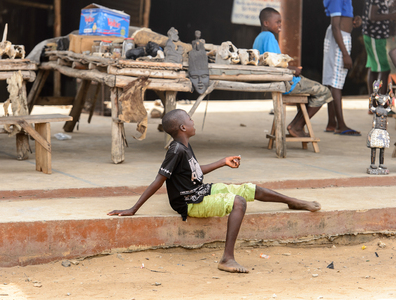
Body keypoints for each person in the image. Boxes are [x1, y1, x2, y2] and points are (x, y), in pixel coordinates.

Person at [108, 109, 321, 274]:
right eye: (190, 119)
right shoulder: (175, 150)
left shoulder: (185, 145)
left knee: (249, 188)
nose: (193, 122)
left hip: (199, 190)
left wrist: (222, 162)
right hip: (189, 202)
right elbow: (158, 180)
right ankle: (227, 258)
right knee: (238, 202)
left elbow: (194, 172)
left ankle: (292, 202)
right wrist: (133, 208)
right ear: (183, 127)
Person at [253, 7, 333, 138]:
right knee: (324, 92)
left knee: (311, 95)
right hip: (285, 82)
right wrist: (293, 69)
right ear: (266, 23)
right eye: (277, 22)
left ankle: (295, 125)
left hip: (275, 81)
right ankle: (296, 126)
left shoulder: (259, 38)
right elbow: (275, 64)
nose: (280, 25)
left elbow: (271, 62)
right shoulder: (269, 37)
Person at [323, 0, 362, 136]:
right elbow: (335, 26)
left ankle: (331, 123)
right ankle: (341, 125)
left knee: (332, 81)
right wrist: (345, 54)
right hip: (339, 38)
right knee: (336, 83)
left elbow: (340, 21)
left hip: (339, 36)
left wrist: (353, 21)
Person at [362, 0, 396, 96]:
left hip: (378, 36)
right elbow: (372, 16)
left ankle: (374, 103)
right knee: (384, 69)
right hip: (375, 35)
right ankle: (381, 103)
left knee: (375, 68)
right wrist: (391, 16)